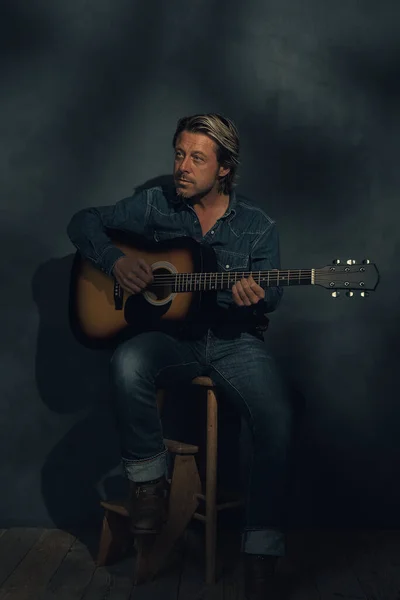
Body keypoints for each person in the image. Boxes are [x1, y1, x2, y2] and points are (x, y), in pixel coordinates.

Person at [67, 113, 292, 599]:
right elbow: (82, 221)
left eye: (197, 158)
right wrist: (117, 261)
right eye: (179, 154)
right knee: (128, 362)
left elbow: (271, 295)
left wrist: (257, 294)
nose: (182, 167)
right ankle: (149, 485)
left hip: (235, 342)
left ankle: (261, 556)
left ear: (225, 168)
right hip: (175, 340)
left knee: (277, 420)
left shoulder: (257, 225)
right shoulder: (155, 205)